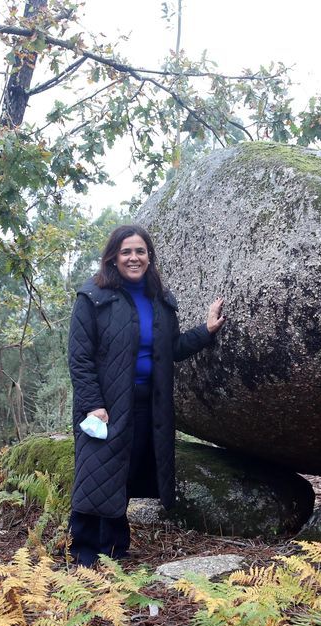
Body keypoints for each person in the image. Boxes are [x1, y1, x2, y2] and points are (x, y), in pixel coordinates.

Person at [67, 224, 226, 566]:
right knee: (97, 474)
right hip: (104, 407)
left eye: (140, 251)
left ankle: (114, 550)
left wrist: (206, 331)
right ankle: (83, 554)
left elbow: (172, 349)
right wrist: (94, 405)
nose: (133, 258)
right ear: (113, 257)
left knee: (122, 475)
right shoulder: (93, 298)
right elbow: (79, 358)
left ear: (149, 257)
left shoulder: (160, 301)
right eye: (126, 252)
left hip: (147, 406)